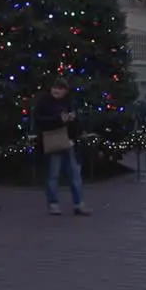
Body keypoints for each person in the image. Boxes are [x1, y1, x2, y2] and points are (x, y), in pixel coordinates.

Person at [34, 78, 89, 216]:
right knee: (53, 174)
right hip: (53, 142)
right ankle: (53, 204)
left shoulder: (68, 102)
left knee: (75, 174)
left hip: (68, 142)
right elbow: (39, 121)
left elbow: (76, 121)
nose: (57, 91)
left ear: (65, 91)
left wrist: (73, 121)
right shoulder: (44, 102)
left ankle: (79, 203)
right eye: (55, 87)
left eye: (60, 88)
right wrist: (58, 120)